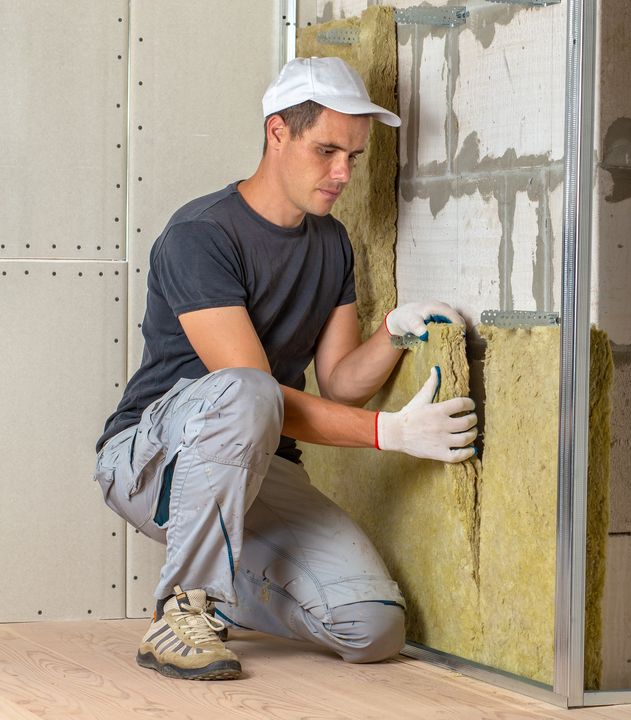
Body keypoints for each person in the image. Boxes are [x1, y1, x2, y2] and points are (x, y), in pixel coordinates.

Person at [93, 57, 478, 681]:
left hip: (259, 462)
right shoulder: (200, 235)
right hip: (154, 460)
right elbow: (255, 394)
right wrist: (391, 434)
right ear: (277, 132)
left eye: (353, 156)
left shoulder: (331, 243)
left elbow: (341, 383)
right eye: (327, 151)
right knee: (248, 392)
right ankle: (184, 611)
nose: (342, 173)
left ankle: (223, 592)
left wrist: (393, 333)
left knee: (372, 626)